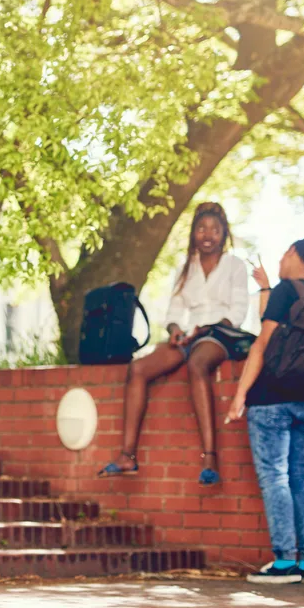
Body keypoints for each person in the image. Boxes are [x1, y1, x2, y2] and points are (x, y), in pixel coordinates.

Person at [98, 202, 251, 486]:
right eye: (201, 229)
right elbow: (173, 311)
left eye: (214, 230)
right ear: (193, 233)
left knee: (197, 364)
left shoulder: (234, 265)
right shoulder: (185, 268)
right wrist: (175, 330)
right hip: (188, 336)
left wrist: (207, 328)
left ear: (224, 233)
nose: (207, 235)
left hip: (219, 335)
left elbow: (238, 312)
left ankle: (209, 458)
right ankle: (127, 456)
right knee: (138, 369)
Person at [226, 239, 304, 585]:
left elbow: (263, 342)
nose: (281, 259)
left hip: (272, 399)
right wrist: (265, 286)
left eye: (284, 253)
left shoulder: (287, 290)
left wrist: (240, 394)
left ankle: (285, 561)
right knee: (298, 476)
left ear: (296, 255)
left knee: (274, 478)